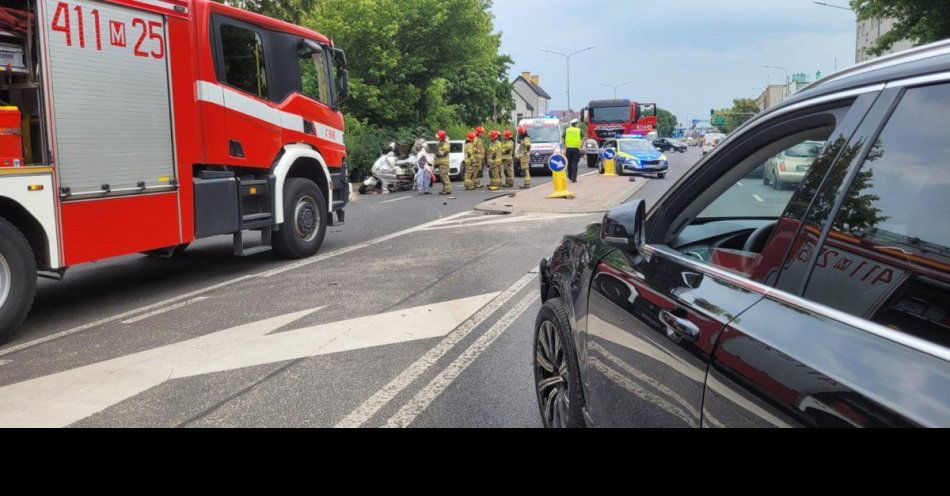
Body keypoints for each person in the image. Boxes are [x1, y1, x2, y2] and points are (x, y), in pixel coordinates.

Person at [434, 130, 452, 195]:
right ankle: (445, 189)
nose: (437, 138)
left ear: (441, 137)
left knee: (444, 176)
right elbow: (436, 152)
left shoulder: (446, 144)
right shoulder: (440, 143)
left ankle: (448, 189)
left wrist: (438, 152)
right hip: (441, 163)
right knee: (442, 176)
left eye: (438, 137)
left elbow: (444, 153)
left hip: (444, 163)